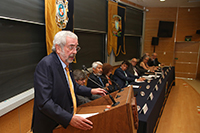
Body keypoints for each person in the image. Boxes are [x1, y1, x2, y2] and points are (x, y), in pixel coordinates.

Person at [31, 31, 106, 133]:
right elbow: (44, 102)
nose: (75, 52)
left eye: (76, 48)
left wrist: (91, 91)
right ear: (58, 48)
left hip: (64, 121)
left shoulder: (67, 62)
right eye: (71, 47)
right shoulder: (46, 65)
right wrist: (68, 118)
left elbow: (72, 86)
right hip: (50, 126)